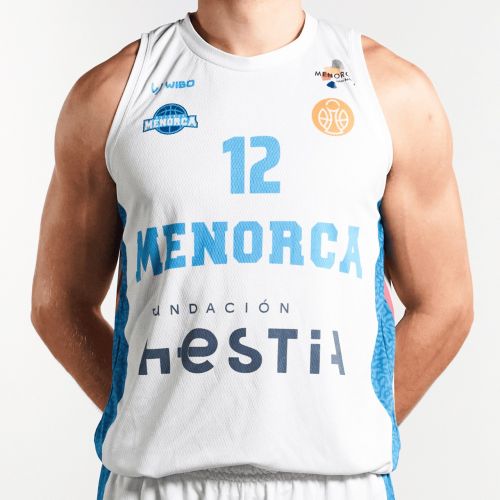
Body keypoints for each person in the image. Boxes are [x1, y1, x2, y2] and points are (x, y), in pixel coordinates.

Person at [30, 1, 474, 499]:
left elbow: (446, 303)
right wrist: (146, 415)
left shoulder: (392, 93)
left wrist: (343, 423)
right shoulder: (111, 95)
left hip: (337, 484)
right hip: (159, 484)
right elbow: (58, 303)